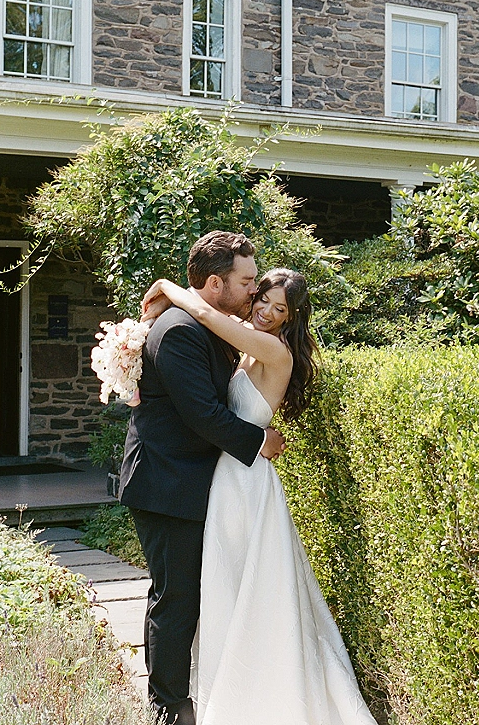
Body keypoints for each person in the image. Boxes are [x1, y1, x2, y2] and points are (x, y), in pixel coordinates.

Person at [141, 267, 378, 725]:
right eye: (262, 298)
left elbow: (208, 316)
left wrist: (171, 288)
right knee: (224, 582)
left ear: (292, 317)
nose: (266, 310)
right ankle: (220, 684)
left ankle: (257, 691)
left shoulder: (272, 349)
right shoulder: (247, 342)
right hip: (225, 477)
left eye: (279, 308)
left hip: (247, 482)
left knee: (250, 584)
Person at [118, 231, 286, 725]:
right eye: (247, 281)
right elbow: (204, 414)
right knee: (176, 599)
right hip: (166, 484)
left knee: (187, 595)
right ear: (215, 283)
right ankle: (168, 708)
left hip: (190, 482)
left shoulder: (205, 322)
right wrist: (259, 443)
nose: (255, 292)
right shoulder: (179, 331)